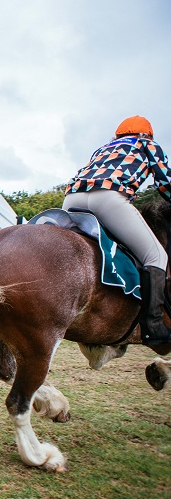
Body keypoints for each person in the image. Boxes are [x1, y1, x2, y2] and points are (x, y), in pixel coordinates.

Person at [62, 115, 171, 345]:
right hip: (108, 200)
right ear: (146, 134)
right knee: (156, 256)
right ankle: (153, 325)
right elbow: (165, 183)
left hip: (71, 200)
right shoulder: (147, 144)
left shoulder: (103, 148)